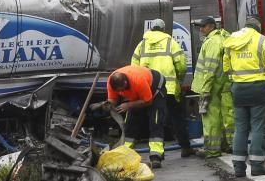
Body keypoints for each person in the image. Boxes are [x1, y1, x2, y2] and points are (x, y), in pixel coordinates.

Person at [222, 16, 265, 177]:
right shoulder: (262, 40)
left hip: (238, 90)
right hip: (259, 90)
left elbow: (226, 67)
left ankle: (239, 168)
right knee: (258, 128)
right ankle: (256, 166)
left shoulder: (230, 41)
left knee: (240, 129)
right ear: (258, 28)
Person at [131, 18, 193, 158]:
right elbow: (181, 64)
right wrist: (179, 78)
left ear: (152, 29)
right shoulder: (171, 42)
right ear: (163, 29)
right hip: (169, 88)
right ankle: (185, 147)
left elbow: (134, 66)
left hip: (147, 88)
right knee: (177, 117)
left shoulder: (142, 44)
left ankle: (139, 150)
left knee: (151, 119)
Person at [99, 64, 167, 168]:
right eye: (117, 91)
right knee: (130, 122)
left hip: (155, 89)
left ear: (125, 83)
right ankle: (124, 153)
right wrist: (108, 105)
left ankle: (156, 157)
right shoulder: (111, 81)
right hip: (137, 92)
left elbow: (148, 101)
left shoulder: (138, 80)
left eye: (121, 90)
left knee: (156, 121)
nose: (120, 93)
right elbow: (113, 99)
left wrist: (129, 105)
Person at [190, 16, 233, 158]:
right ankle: (228, 145)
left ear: (211, 27)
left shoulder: (213, 42)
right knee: (226, 116)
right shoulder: (221, 38)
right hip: (223, 84)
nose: (201, 29)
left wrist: (206, 88)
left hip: (213, 86)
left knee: (211, 119)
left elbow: (210, 67)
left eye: (203, 26)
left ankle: (212, 149)